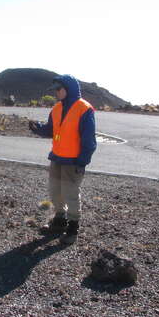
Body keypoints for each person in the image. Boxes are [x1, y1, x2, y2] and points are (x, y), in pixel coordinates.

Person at [29, 74, 96, 244]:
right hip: (57, 158)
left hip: (73, 161)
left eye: (58, 89)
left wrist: (82, 161)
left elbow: (89, 140)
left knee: (71, 194)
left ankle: (73, 228)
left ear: (68, 89)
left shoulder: (84, 109)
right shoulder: (57, 108)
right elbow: (51, 130)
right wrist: (38, 129)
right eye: (55, 90)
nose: (56, 93)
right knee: (55, 191)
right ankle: (59, 220)